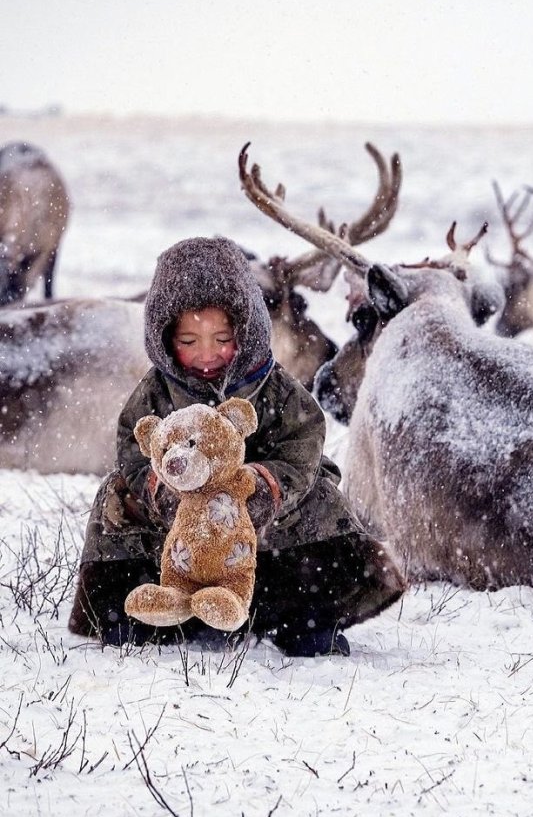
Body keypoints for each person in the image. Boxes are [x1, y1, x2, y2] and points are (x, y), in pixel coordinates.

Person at [68, 236, 406, 656]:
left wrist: (265, 489)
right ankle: (132, 611)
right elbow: (133, 449)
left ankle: (305, 617)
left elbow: (303, 445)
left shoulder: (274, 386)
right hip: (179, 533)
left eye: (221, 338)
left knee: (320, 496)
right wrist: (162, 494)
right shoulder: (156, 391)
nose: (206, 354)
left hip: (262, 521)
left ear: (245, 331)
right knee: (115, 498)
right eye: (188, 342)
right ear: (165, 339)